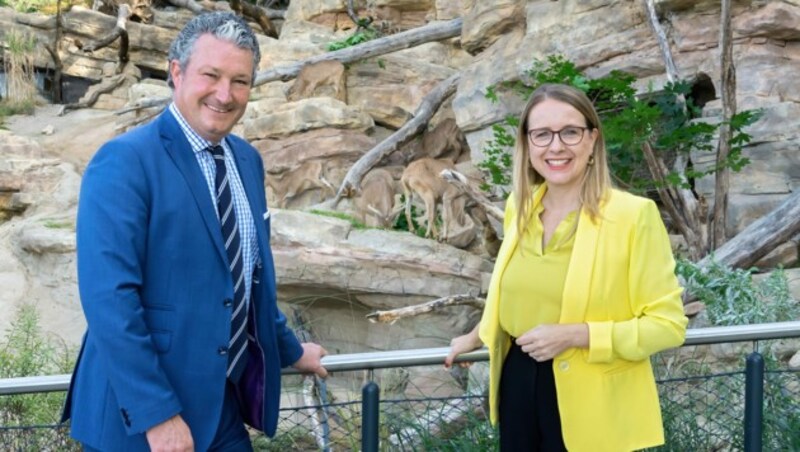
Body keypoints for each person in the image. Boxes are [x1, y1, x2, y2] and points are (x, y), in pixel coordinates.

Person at [61, 12, 327, 451]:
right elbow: (110, 299)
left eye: (240, 81)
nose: (225, 94)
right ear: (177, 72)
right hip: (139, 421)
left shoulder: (247, 161)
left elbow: (247, 281)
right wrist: (157, 415)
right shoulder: (124, 161)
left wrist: (292, 350)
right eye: (211, 75)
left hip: (219, 407)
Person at [444, 83, 688, 452]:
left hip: (593, 399)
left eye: (570, 132)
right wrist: (478, 334)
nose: (555, 146)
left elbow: (667, 326)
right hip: (517, 380)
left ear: (592, 140)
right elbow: (519, 290)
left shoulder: (632, 216)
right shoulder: (519, 208)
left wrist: (578, 335)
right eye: (541, 134)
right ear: (527, 146)